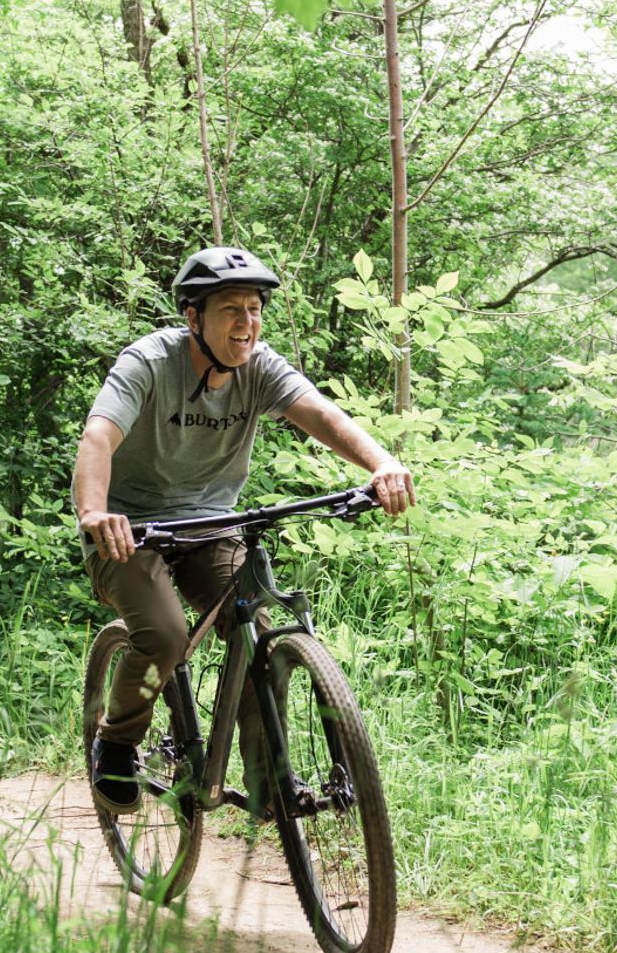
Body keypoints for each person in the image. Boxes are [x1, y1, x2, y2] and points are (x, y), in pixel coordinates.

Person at [72, 245, 415, 814]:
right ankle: (117, 740)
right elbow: (98, 437)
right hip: (130, 529)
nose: (247, 323)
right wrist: (93, 512)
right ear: (193, 317)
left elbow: (324, 416)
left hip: (212, 525)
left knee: (255, 627)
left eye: (254, 309)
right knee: (163, 633)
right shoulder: (149, 362)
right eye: (231, 308)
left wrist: (381, 463)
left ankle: (268, 782)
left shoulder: (260, 368)